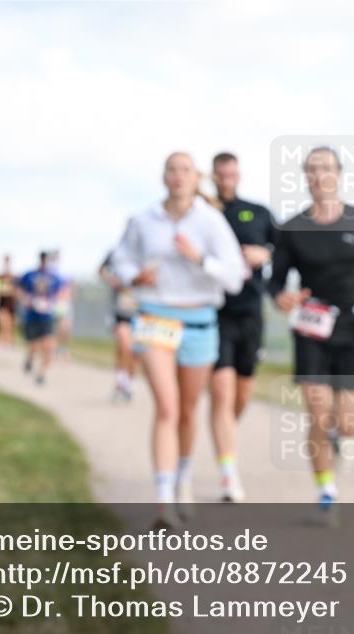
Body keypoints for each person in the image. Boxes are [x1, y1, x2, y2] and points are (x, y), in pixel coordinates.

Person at [109, 151, 246, 527]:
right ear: (163, 176)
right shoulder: (143, 221)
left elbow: (235, 277)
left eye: (185, 170)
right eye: (172, 169)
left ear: (195, 177)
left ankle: (183, 475)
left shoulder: (211, 221)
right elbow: (119, 261)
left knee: (187, 410)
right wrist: (135, 276)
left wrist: (199, 258)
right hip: (155, 316)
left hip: (200, 319)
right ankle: (164, 499)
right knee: (166, 407)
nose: (178, 176)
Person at [268, 146, 354, 518]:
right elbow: (274, 281)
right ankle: (326, 489)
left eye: (325, 168)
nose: (318, 175)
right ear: (304, 176)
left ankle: (335, 440)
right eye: (311, 169)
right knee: (318, 410)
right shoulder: (293, 229)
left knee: (348, 424)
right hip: (311, 329)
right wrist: (282, 297)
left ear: (339, 173)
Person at [209, 152, 277, 502]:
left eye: (231, 173)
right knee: (221, 391)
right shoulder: (205, 213)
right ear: (213, 176)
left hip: (251, 311)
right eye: (220, 174)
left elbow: (282, 250)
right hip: (215, 311)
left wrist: (264, 254)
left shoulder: (259, 213)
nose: (226, 180)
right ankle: (228, 472)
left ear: (238, 174)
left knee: (241, 393)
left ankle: (225, 437)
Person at [18, 251, 64, 385]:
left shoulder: (54, 277)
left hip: (47, 317)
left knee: (49, 346)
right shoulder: (29, 275)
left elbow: (63, 291)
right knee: (33, 346)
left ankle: (41, 374)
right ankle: (29, 359)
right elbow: (19, 290)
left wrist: (54, 303)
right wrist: (26, 300)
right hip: (32, 316)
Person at [99, 250, 138, 401]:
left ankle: (128, 382)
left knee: (133, 352)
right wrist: (111, 280)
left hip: (141, 309)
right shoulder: (117, 252)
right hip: (120, 309)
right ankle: (121, 382)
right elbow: (101, 270)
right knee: (124, 346)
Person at [49, 250, 74, 360]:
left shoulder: (65, 271)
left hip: (65, 303)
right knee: (55, 328)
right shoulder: (50, 271)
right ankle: (54, 349)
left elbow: (70, 287)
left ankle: (63, 348)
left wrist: (69, 295)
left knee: (66, 328)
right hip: (54, 303)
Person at [0, 255, 18, 345]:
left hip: (11, 302)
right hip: (3, 302)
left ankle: (9, 340)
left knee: (10, 322)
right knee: (3, 320)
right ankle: (3, 340)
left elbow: (16, 291)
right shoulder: (0, 276)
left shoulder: (13, 277)